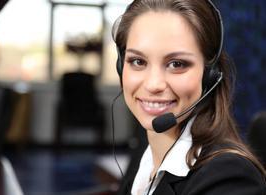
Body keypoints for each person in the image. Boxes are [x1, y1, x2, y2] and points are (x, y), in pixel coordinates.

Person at [112, 0, 266, 194]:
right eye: (138, 61)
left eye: (176, 64)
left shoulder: (230, 179)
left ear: (210, 74)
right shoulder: (147, 149)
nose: (153, 85)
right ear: (121, 66)